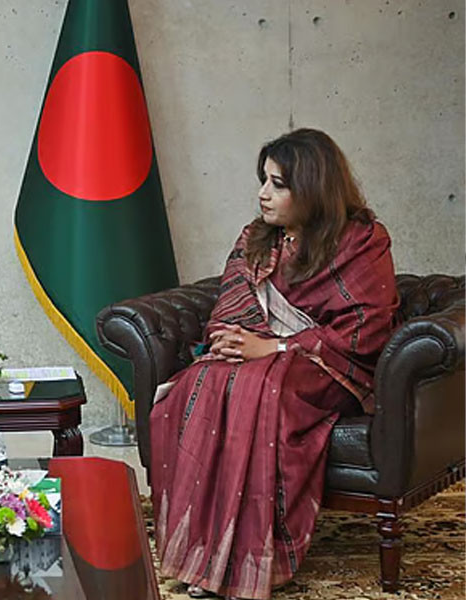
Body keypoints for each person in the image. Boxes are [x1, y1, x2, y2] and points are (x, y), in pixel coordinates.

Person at [148, 129, 398, 600]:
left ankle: (248, 561)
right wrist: (231, 341)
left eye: (278, 184)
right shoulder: (258, 238)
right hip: (262, 357)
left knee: (259, 385)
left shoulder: (362, 240)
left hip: (332, 366)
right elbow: (231, 306)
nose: (263, 193)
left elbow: (365, 330)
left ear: (312, 188)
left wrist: (276, 348)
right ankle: (205, 557)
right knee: (201, 380)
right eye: (263, 180)